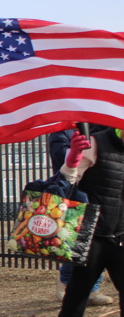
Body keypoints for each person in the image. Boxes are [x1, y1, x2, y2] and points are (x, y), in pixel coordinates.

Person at [53, 128, 124, 317]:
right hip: (93, 232)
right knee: (80, 286)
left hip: (121, 234)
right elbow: (67, 178)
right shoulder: (96, 143)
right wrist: (73, 157)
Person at [48, 128, 112, 305]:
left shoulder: (98, 129)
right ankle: (66, 284)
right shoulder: (61, 132)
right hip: (75, 196)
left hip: (101, 194)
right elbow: (60, 159)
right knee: (78, 245)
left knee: (97, 246)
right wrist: (79, 152)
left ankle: (91, 289)